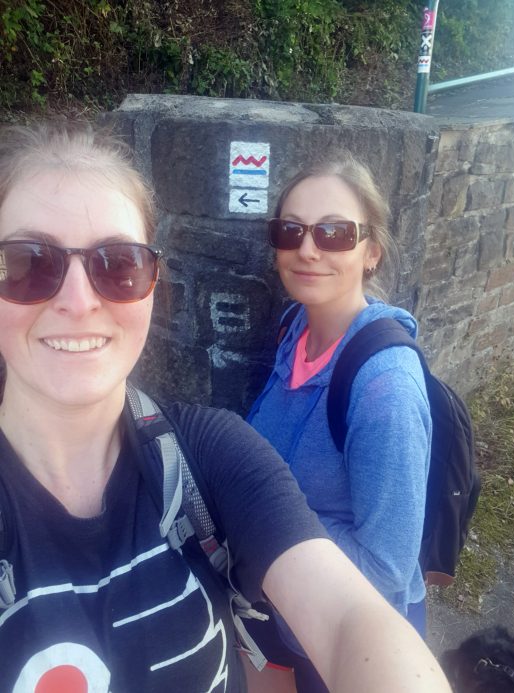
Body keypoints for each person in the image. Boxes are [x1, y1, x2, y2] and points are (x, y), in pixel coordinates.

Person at [0, 120, 450, 693]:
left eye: (118, 264)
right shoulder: (294, 336)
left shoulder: (371, 389)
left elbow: (355, 611)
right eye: (30, 262)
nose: (78, 300)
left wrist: (256, 547)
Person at [247, 157, 432, 689]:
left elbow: (386, 573)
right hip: (282, 621)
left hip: (349, 647)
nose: (308, 249)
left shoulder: (384, 388)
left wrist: (258, 509)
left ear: (371, 251)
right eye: (291, 230)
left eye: (334, 232)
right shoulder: (295, 329)